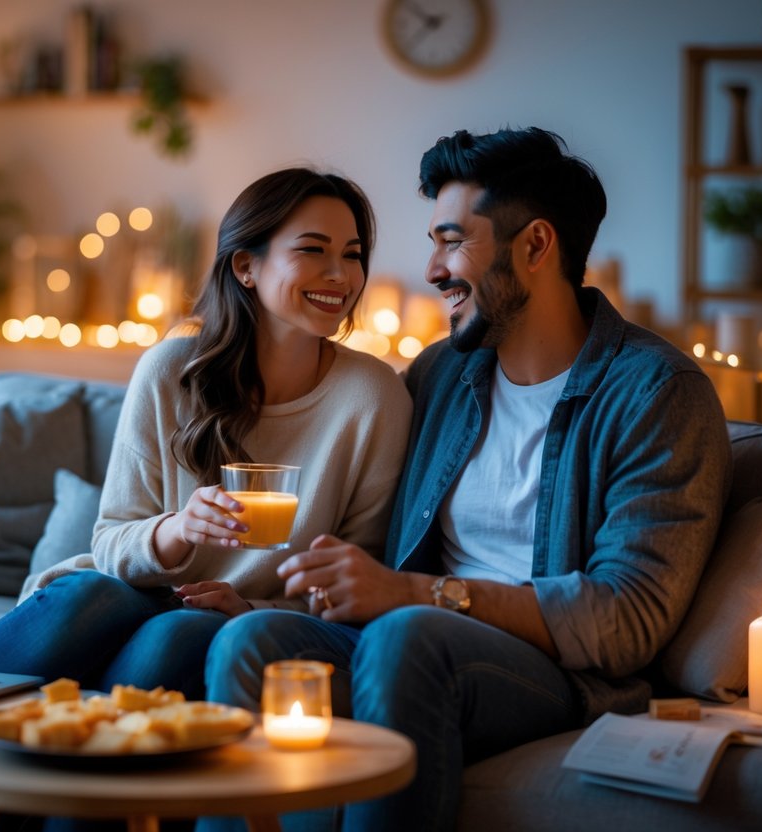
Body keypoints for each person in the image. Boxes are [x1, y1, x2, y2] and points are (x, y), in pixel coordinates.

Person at [202, 128, 732, 832]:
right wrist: (271, 601)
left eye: (452, 241)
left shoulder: (657, 394)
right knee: (253, 640)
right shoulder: (441, 375)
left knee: (405, 635)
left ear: (535, 246)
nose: (431, 268)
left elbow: (626, 621)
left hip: (552, 674)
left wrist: (416, 593)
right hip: (410, 636)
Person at [0, 166, 413, 831]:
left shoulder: (374, 397)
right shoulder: (170, 371)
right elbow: (110, 539)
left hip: (219, 617)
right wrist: (180, 528)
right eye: (313, 250)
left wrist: (254, 605)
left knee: (178, 636)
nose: (339, 275)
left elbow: (356, 569)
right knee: (88, 597)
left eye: (352, 255)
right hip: (119, 587)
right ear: (245, 264)